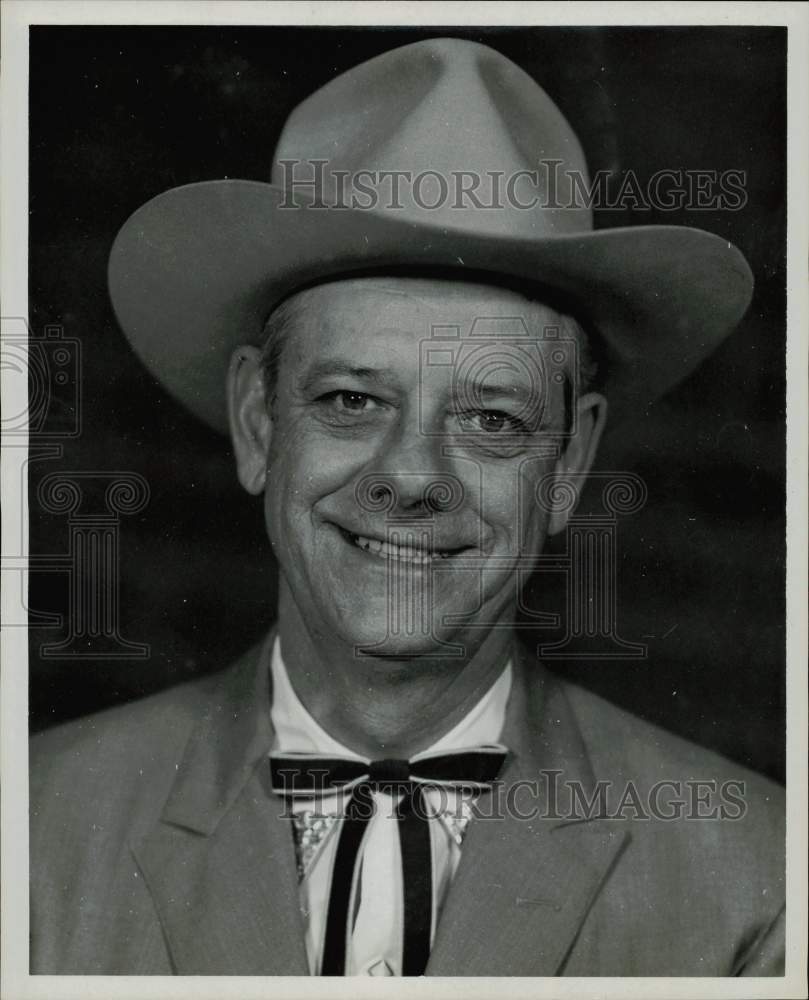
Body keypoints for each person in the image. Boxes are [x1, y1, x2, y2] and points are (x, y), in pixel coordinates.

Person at [29, 37, 784, 977]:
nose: (412, 476)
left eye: (490, 417)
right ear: (260, 423)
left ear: (569, 458)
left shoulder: (759, 883)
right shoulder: (32, 834)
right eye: (352, 400)